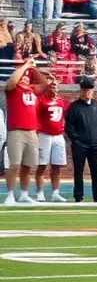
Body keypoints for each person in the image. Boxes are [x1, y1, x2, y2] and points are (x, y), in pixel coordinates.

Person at [5, 60, 52, 204]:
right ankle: (10, 194)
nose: (25, 79)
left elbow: (45, 84)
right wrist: (25, 66)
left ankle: (24, 194)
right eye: (23, 77)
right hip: (16, 131)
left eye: (27, 77)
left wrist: (33, 69)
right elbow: (11, 82)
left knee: (28, 165)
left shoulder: (32, 90)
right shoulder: (13, 90)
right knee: (14, 164)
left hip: (32, 132)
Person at [63, 76, 97, 203]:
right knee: (79, 170)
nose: (88, 93)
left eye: (90, 91)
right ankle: (78, 195)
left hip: (95, 144)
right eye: (86, 90)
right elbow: (69, 127)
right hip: (80, 144)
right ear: (81, 91)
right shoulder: (74, 107)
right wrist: (76, 139)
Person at [33, 77, 69, 202]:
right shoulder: (41, 100)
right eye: (51, 85)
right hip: (45, 135)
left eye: (55, 85)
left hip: (58, 136)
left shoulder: (62, 101)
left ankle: (56, 192)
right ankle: (40, 192)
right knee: (42, 165)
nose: (53, 87)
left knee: (57, 166)